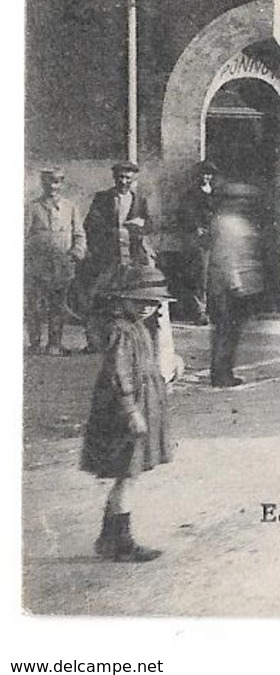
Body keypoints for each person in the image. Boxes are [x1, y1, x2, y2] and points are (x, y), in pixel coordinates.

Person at [80, 277, 176, 562]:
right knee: (127, 475)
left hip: (137, 402)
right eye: (141, 301)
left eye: (153, 303)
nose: (149, 307)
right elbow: (119, 374)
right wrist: (132, 412)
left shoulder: (135, 327)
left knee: (127, 474)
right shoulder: (122, 332)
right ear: (122, 299)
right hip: (124, 408)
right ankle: (120, 542)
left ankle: (108, 538)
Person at [81, 162, 154, 353]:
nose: (123, 181)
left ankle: (124, 344)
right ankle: (95, 343)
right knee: (101, 300)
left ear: (134, 179)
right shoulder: (103, 198)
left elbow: (149, 225)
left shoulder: (139, 201)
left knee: (128, 301)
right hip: (108, 258)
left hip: (131, 259)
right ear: (114, 177)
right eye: (120, 177)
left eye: (128, 178)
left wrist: (139, 226)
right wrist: (116, 232)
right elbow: (90, 224)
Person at [207, 183, 265, 388]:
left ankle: (224, 371)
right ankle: (221, 374)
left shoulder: (236, 222)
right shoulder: (229, 224)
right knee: (226, 331)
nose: (244, 203)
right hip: (227, 287)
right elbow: (227, 258)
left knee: (230, 331)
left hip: (234, 284)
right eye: (240, 200)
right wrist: (236, 286)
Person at [25, 167, 85, 355]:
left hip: (62, 265)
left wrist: (76, 253)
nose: (52, 186)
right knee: (34, 305)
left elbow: (79, 234)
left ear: (62, 184)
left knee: (58, 305)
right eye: (48, 182)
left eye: (56, 182)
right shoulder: (32, 207)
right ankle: (35, 343)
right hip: (37, 265)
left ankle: (54, 344)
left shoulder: (70, 207)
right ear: (42, 183)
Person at [174, 161, 219, 326]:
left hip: (216, 237)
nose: (205, 177)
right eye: (203, 174)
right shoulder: (191, 194)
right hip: (199, 240)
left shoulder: (216, 193)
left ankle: (215, 311)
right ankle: (200, 311)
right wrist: (195, 227)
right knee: (201, 276)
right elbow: (184, 214)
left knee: (215, 275)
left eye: (209, 174)